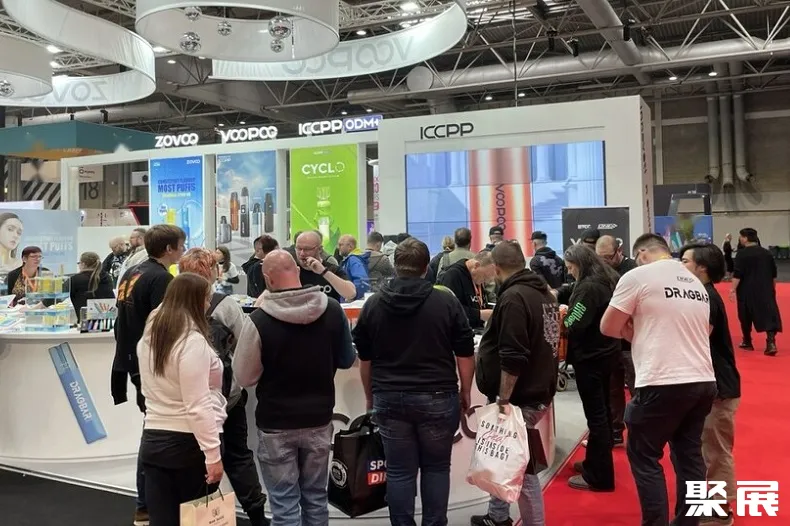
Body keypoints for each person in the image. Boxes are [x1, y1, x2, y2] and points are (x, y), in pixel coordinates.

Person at [352, 238, 475, 526]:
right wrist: (466, 391)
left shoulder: (374, 304)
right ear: (425, 267)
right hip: (438, 395)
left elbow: (365, 359)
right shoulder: (445, 301)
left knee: (398, 471)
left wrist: (370, 396)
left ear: (395, 266)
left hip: (389, 396)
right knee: (436, 468)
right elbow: (465, 353)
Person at [600, 233, 717, 526]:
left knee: (644, 457)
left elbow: (608, 327)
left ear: (641, 254)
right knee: (690, 457)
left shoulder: (637, 276)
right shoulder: (695, 283)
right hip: (703, 379)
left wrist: (632, 330)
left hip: (662, 379)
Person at [233, 249, 356, 526]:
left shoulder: (259, 320)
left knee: (284, 504)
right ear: (298, 272)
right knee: (316, 498)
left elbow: (244, 376)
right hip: (319, 418)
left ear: (268, 280)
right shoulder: (332, 310)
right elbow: (347, 360)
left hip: (276, 422)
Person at [178, 248, 269, 526]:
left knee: (195, 464)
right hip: (227, 397)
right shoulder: (226, 305)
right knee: (239, 457)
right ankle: (256, 516)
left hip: (187, 401)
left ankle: (201, 519)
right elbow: (245, 346)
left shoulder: (167, 308)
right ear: (213, 273)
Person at [472, 240, 559, 526]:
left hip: (520, 397)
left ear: (496, 268)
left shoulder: (513, 298)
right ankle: (498, 516)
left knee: (523, 469)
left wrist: (503, 400)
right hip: (537, 389)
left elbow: (513, 356)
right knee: (504, 457)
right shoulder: (543, 293)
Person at [137, 273, 227, 526]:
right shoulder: (191, 342)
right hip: (188, 444)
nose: (208, 305)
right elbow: (197, 405)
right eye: (207, 299)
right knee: (198, 519)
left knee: (163, 518)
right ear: (195, 301)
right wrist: (213, 455)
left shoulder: (149, 338)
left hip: (153, 438)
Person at [112, 224, 186, 526]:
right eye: (181, 245)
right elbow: (164, 326)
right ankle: (147, 505)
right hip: (149, 364)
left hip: (133, 359)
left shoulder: (132, 272)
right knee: (154, 433)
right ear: (169, 249)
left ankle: (147, 505)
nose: (183, 250)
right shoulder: (161, 278)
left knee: (152, 430)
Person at [680, 243, 741, 525]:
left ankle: (720, 510)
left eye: (685, 261)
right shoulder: (700, 294)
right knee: (707, 447)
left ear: (702, 267)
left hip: (720, 386)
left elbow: (698, 339)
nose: (681, 266)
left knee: (716, 450)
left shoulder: (707, 298)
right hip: (710, 383)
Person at [562, 244, 620, 492]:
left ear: (580, 264)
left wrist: (565, 318)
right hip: (607, 352)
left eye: (570, 267)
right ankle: (594, 463)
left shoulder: (588, 288)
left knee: (596, 417)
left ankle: (599, 475)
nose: (569, 272)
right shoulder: (607, 279)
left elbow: (576, 321)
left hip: (591, 357)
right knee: (603, 413)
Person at [595, 235, 638, 447]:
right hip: (610, 342)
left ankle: (639, 432)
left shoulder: (633, 271)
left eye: (608, 257)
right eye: (600, 257)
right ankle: (615, 432)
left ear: (619, 251)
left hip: (631, 342)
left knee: (637, 389)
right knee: (613, 390)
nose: (604, 262)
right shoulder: (598, 271)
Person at [730, 227, 781, 356]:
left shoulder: (741, 254)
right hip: (765, 289)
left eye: (741, 236)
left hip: (746, 290)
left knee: (745, 316)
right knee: (769, 315)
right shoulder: (767, 253)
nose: (740, 239)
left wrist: (732, 289)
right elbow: (773, 274)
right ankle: (771, 342)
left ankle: (747, 341)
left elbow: (738, 274)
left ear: (745, 238)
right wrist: (772, 289)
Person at [288, 230, 356, 302]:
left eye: (307, 249)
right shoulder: (291, 270)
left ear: (320, 249)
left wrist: (324, 272)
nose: (302, 254)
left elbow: (351, 294)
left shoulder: (332, 269)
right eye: (298, 249)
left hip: (328, 308)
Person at [437, 250, 496, 330]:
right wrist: (479, 314)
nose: (485, 281)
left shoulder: (475, 277)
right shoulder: (453, 276)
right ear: (476, 266)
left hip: (476, 330)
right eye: (485, 277)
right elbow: (450, 309)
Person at [69, 251, 115, 321]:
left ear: (83, 264)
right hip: (107, 321)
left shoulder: (75, 279)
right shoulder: (107, 277)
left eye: (79, 263)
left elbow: (61, 293)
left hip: (85, 322)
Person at [337, 234, 370, 300]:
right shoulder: (350, 260)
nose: (338, 247)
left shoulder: (353, 259)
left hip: (351, 302)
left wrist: (353, 297)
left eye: (341, 245)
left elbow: (362, 280)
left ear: (350, 246)